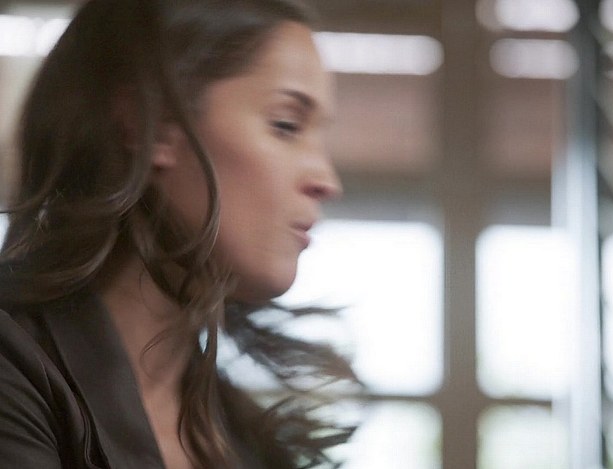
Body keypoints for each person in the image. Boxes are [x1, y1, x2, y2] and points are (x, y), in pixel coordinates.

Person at [0, 0, 356, 467]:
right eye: (285, 125)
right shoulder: (14, 369)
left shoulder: (248, 439)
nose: (327, 181)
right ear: (150, 123)